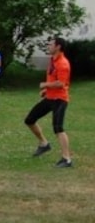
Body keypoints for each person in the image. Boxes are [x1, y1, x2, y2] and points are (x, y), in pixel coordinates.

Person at [24, 37, 72, 168]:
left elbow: (61, 83)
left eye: (51, 44)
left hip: (60, 99)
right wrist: (46, 90)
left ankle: (67, 159)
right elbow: (53, 78)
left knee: (58, 128)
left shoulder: (63, 63)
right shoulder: (53, 60)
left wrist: (45, 84)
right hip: (50, 98)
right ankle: (44, 144)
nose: (48, 46)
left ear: (58, 47)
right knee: (29, 120)